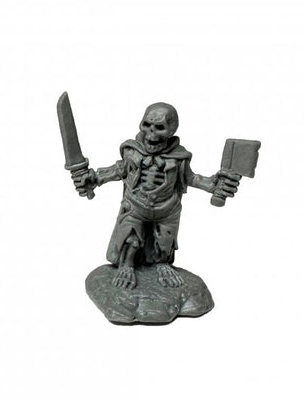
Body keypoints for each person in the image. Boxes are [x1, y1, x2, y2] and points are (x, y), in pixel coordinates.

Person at [73, 102, 240, 289]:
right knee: (130, 240)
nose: (151, 134)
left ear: (171, 132)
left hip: (166, 209)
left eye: (160, 127)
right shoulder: (132, 152)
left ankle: (162, 264)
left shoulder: (179, 158)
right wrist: (93, 178)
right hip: (135, 206)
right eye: (147, 125)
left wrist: (213, 185)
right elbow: (117, 170)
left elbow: (191, 178)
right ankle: (126, 266)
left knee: (164, 243)